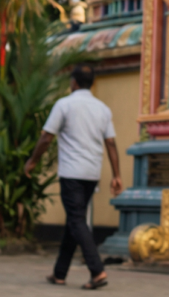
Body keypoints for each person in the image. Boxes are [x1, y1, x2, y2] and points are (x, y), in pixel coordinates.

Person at [24, 64, 123, 290]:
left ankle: (97, 271)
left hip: (71, 173)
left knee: (77, 220)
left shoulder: (64, 105)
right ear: (92, 83)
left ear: (74, 82)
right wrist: (116, 174)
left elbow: (46, 138)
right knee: (74, 220)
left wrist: (32, 161)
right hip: (91, 174)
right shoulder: (103, 109)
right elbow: (111, 142)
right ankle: (59, 273)